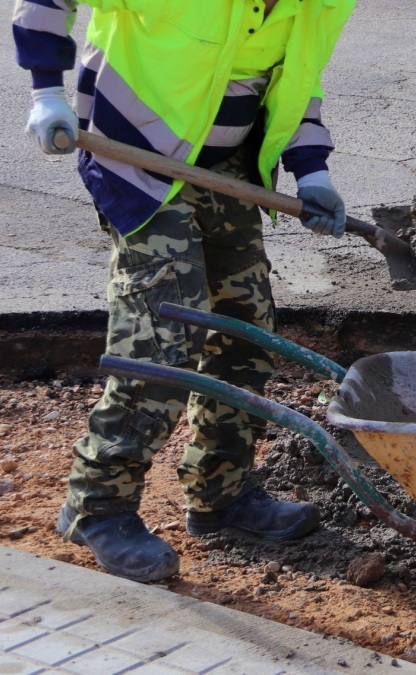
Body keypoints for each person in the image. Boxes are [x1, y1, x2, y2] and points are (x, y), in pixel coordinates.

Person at [13, 0, 355, 581]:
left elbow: (296, 81)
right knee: (163, 338)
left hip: (229, 172)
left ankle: (221, 491)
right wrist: (45, 91)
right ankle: (98, 504)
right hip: (137, 167)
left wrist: (312, 170)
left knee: (246, 328)